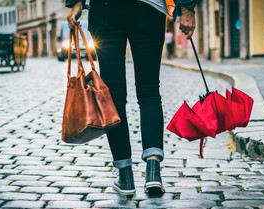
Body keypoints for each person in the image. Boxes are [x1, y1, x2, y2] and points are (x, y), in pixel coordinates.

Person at [66, 0, 196, 195]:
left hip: (106, 10)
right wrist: (186, 7)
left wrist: (76, 3)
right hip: (148, 9)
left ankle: (125, 176)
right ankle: (153, 171)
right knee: (149, 91)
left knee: (113, 96)